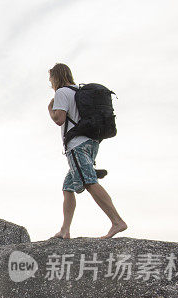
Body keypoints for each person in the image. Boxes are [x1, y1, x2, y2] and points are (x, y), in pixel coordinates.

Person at [47, 63, 127, 239]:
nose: (50, 82)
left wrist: (50, 110)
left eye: (51, 79)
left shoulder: (61, 93)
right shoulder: (78, 91)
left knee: (89, 182)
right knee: (68, 187)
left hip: (76, 145)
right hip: (91, 142)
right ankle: (65, 230)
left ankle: (117, 222)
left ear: (56, 77)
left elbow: (59, 119)